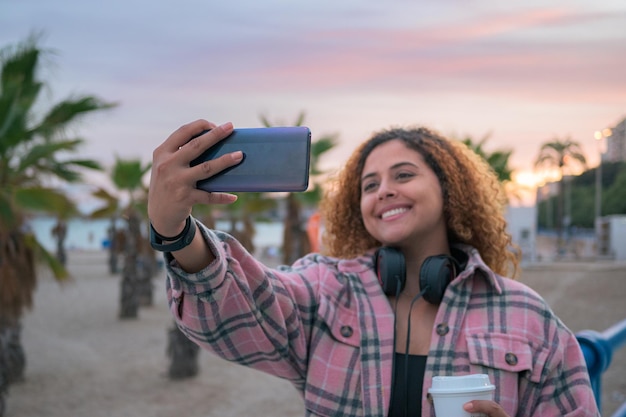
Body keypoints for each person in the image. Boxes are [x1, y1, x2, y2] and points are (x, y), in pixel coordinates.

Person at [147, 120, 599, 417]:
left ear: (449, 190)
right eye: (369, 184)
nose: (383, 191)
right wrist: (176, 232)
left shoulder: (528, 316)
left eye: (403, 175)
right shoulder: (325, 289)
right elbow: (237, 310)